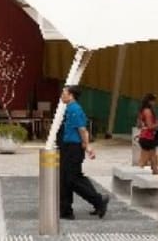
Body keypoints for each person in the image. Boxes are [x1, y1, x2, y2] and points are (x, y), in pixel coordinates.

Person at [59, 85, 109, 220]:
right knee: (65, 179)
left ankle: (98, 201)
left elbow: (82, 129)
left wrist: (87, 147)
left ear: (71, 96)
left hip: (73, 148)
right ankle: (65, 210)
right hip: (68, 147)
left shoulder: (75, 109)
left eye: (64, 93)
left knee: (73, 178)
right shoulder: (69, 108)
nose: (62, 95)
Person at [137, 93, 158, 174]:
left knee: (153, 155)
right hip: (148, 138)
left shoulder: (142, 111)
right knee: (143, 160)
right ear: (149, 101)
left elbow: (139, 125)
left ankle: (155, 170)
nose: (155, 103)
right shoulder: (148, 111)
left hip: (144, 137)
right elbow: (150, 126)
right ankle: (134, 175)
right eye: (154, 101)